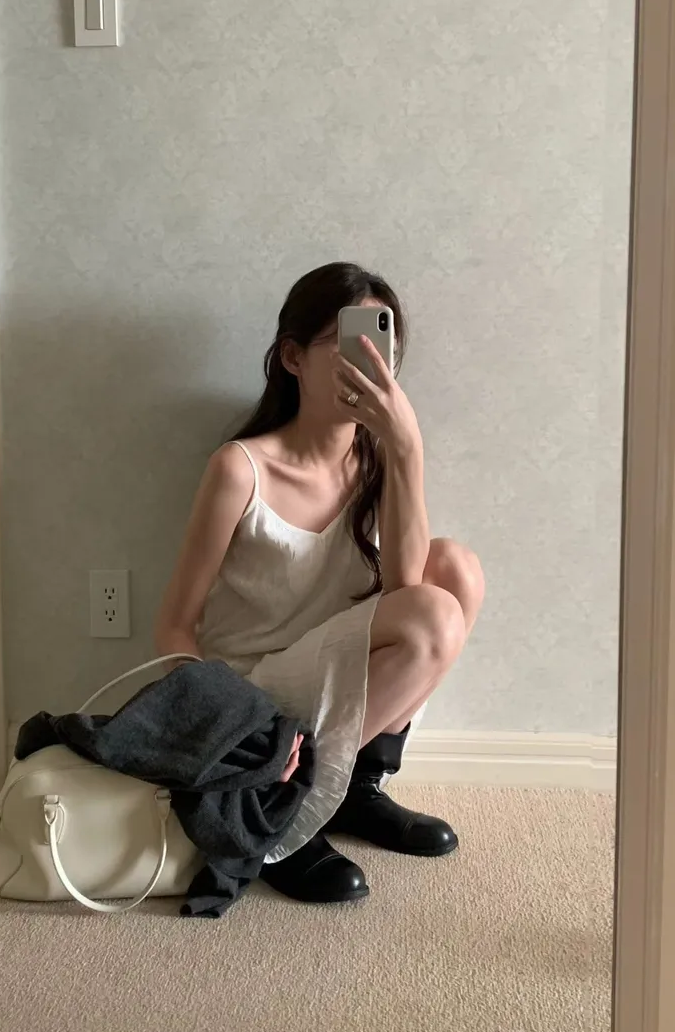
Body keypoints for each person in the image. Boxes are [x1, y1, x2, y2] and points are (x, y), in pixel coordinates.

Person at [155, 262, 485, 903]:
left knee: (455, 570)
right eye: (348, 344)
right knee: (433, 613)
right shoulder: (241, 468)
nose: (369, 364)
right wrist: (223, 734)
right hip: (258, 698)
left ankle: (354, 787)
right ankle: (282, 810)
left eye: (381, 346)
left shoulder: (376, 460)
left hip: (336, 680)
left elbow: (409, 588)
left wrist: (406, 448)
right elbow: (174, 625)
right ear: (293, 358)